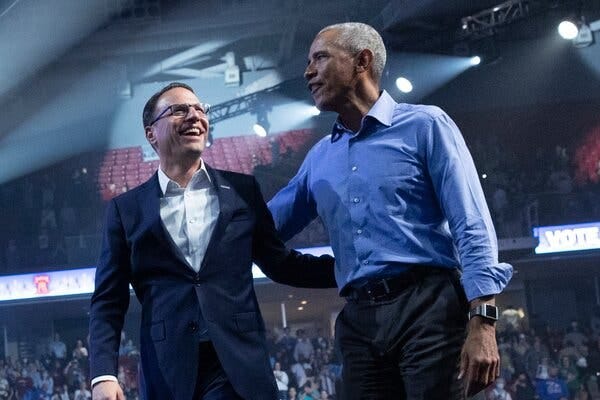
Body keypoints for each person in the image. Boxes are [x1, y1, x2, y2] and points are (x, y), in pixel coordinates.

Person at [268, 22, 513, 399]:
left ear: (361, 61)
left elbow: (472, 224)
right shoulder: (319, 157)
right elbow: (266, 227)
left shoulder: (425, 125)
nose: (308, 72)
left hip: (428, 308)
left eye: (320, 58)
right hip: (358, 319)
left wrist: (484, 322)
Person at [89, 82, 336, 400]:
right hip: (168, 369)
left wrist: (350, 268)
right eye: (179, 110)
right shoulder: (126, 210)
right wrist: (103, 375)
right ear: (151, 133)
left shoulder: (244, 191)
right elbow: (108, 300)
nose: (194, 116)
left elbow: (281, 263)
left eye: (199, 109)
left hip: (238, 364)